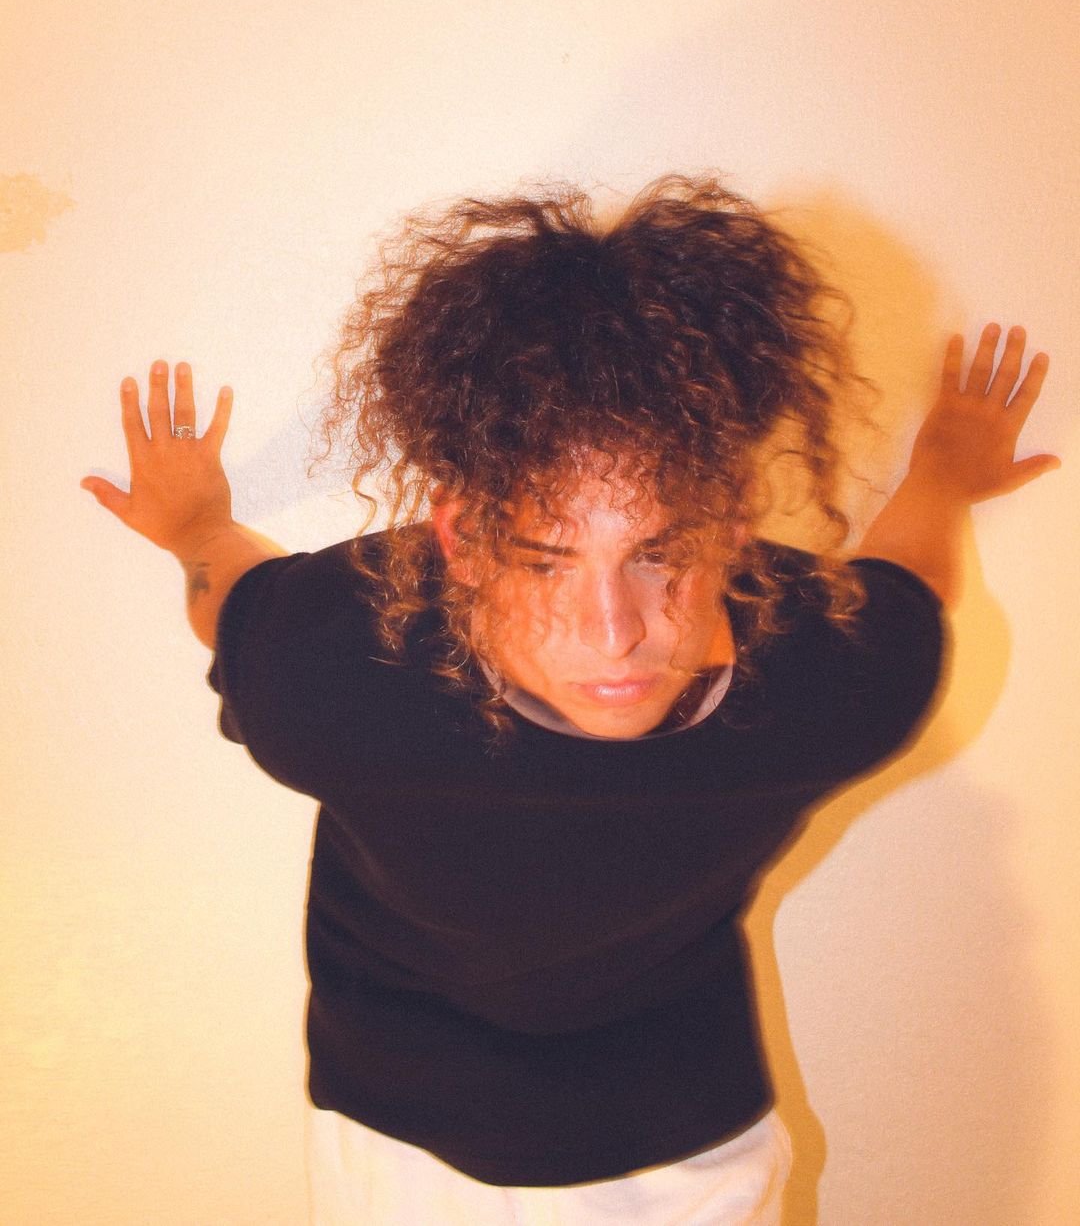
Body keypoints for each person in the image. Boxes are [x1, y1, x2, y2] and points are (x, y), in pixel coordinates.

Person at [82, 175, 1058, 1225]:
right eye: (548, 563)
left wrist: (944, 474)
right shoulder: (339, 671)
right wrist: (196, 528)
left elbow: (908, 590)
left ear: (732, 525)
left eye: (659, 554)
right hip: (402, 1150)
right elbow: (230, 599)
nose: (614, 631)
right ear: (460, 542)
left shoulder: (837, 678)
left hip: (687, 1165)